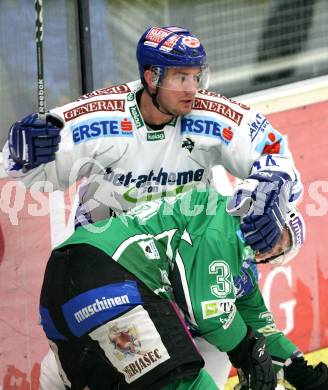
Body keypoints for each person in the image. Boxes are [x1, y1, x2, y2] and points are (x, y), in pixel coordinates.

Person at [4, 25, 305, 387]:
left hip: (178, 275)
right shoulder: (101, 117)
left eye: (197, 76)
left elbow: (272, 151)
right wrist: (21, 153)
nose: (193, 89)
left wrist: (273, 183)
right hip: (111, 270)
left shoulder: (209, 116)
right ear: (151, 76)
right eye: (181, 77)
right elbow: (36, 173)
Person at [39, 188, 327, 390]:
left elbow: (260, 326)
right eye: (275, 236)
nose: (268, 248)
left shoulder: (234, 260)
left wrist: (301, 373)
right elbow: (209, 313)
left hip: (63, 281)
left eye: (278, 249)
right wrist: (248, 352)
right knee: (188, 382)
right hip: (109, 274)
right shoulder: (222, 226)